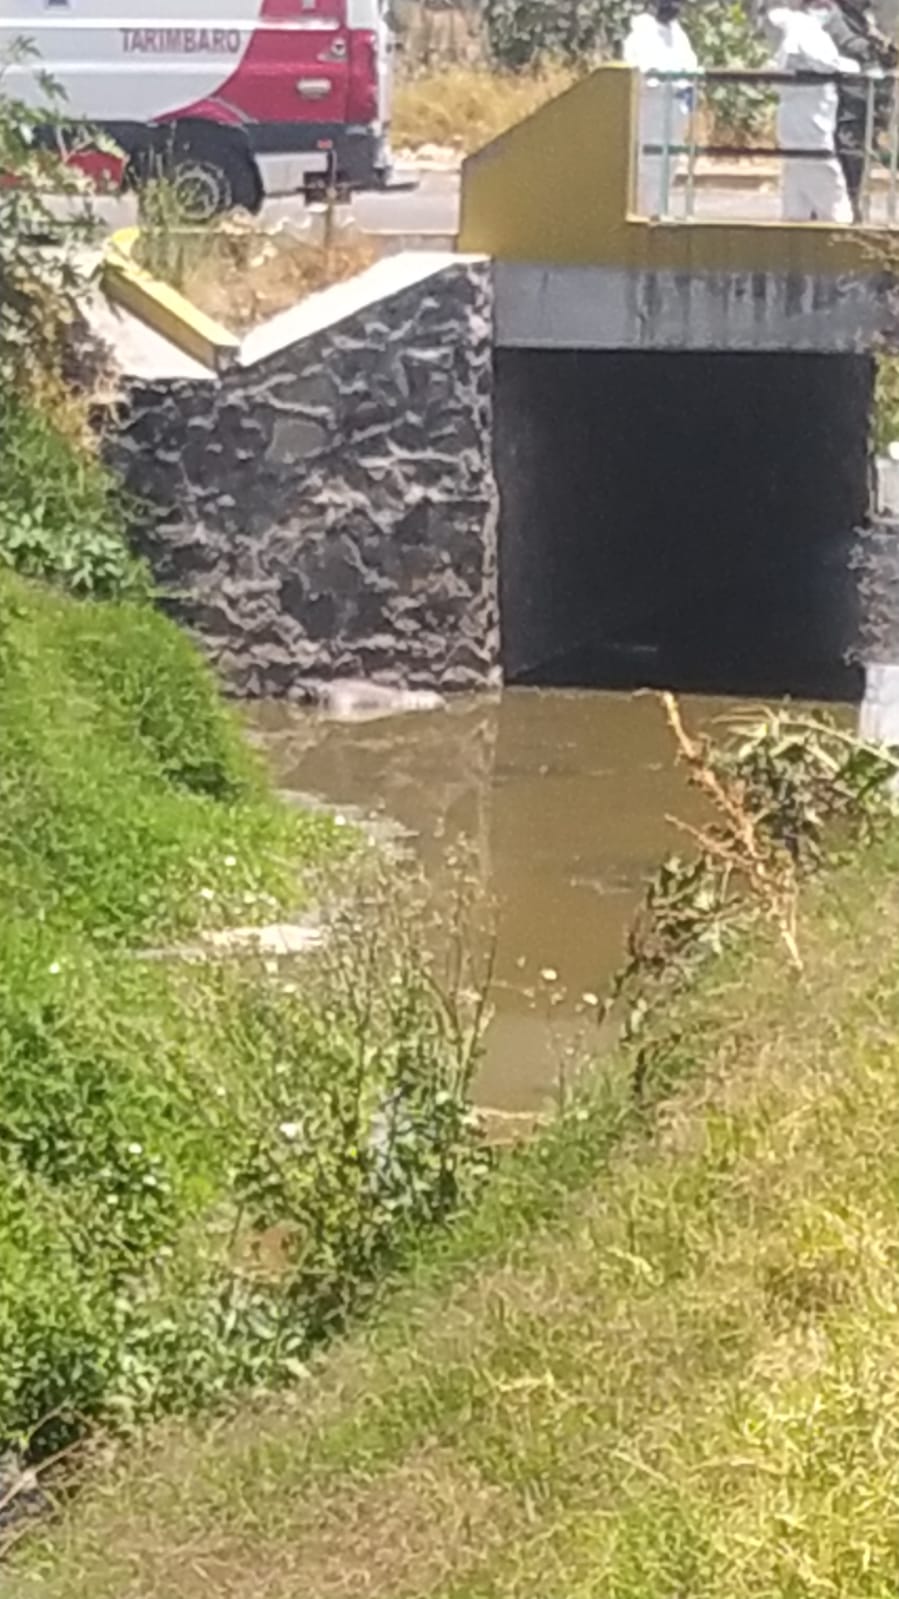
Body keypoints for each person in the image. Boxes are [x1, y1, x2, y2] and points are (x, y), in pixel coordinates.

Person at [768, 1, 860, 221]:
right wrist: (850, 67)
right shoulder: (806, 30)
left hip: (800, 122)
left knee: (797, 196)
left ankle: (794, 244)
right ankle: (845, 245)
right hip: (809, 126)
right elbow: (824, 62)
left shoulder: (795, 31)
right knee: (831, 192)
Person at [821, 0, 897, 220]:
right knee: (851, 154)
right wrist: (879, 49)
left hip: (869, 99)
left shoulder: (864, 16)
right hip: (846, 100)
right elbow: (848, 42)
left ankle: (859, 206)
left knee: (873, 153)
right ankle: (854, 208)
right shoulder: (831, 12)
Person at [623, 0, 699, 217]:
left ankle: (661, 210)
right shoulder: (639, 35)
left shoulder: (679, 36)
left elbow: (691, 67)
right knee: (649, 164)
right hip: (652, 107)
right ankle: (647, 214)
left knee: (671, 162)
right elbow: (642, 75)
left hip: (676, 108)